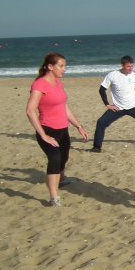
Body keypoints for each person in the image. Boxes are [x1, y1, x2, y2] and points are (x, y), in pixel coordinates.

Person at [26, 53, 89, 206]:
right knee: (54, 158)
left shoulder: (58, 83)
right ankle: (54, 197)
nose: (64, 69)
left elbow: (64, 107)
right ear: (50, 66)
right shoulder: (39, 84)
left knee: (64, 157)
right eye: (61, 66)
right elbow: (30, 110)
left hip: (63, 130)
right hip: (48, 130)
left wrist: (78, 126)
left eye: (64, 66)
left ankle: (61, 180)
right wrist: (43, 135)